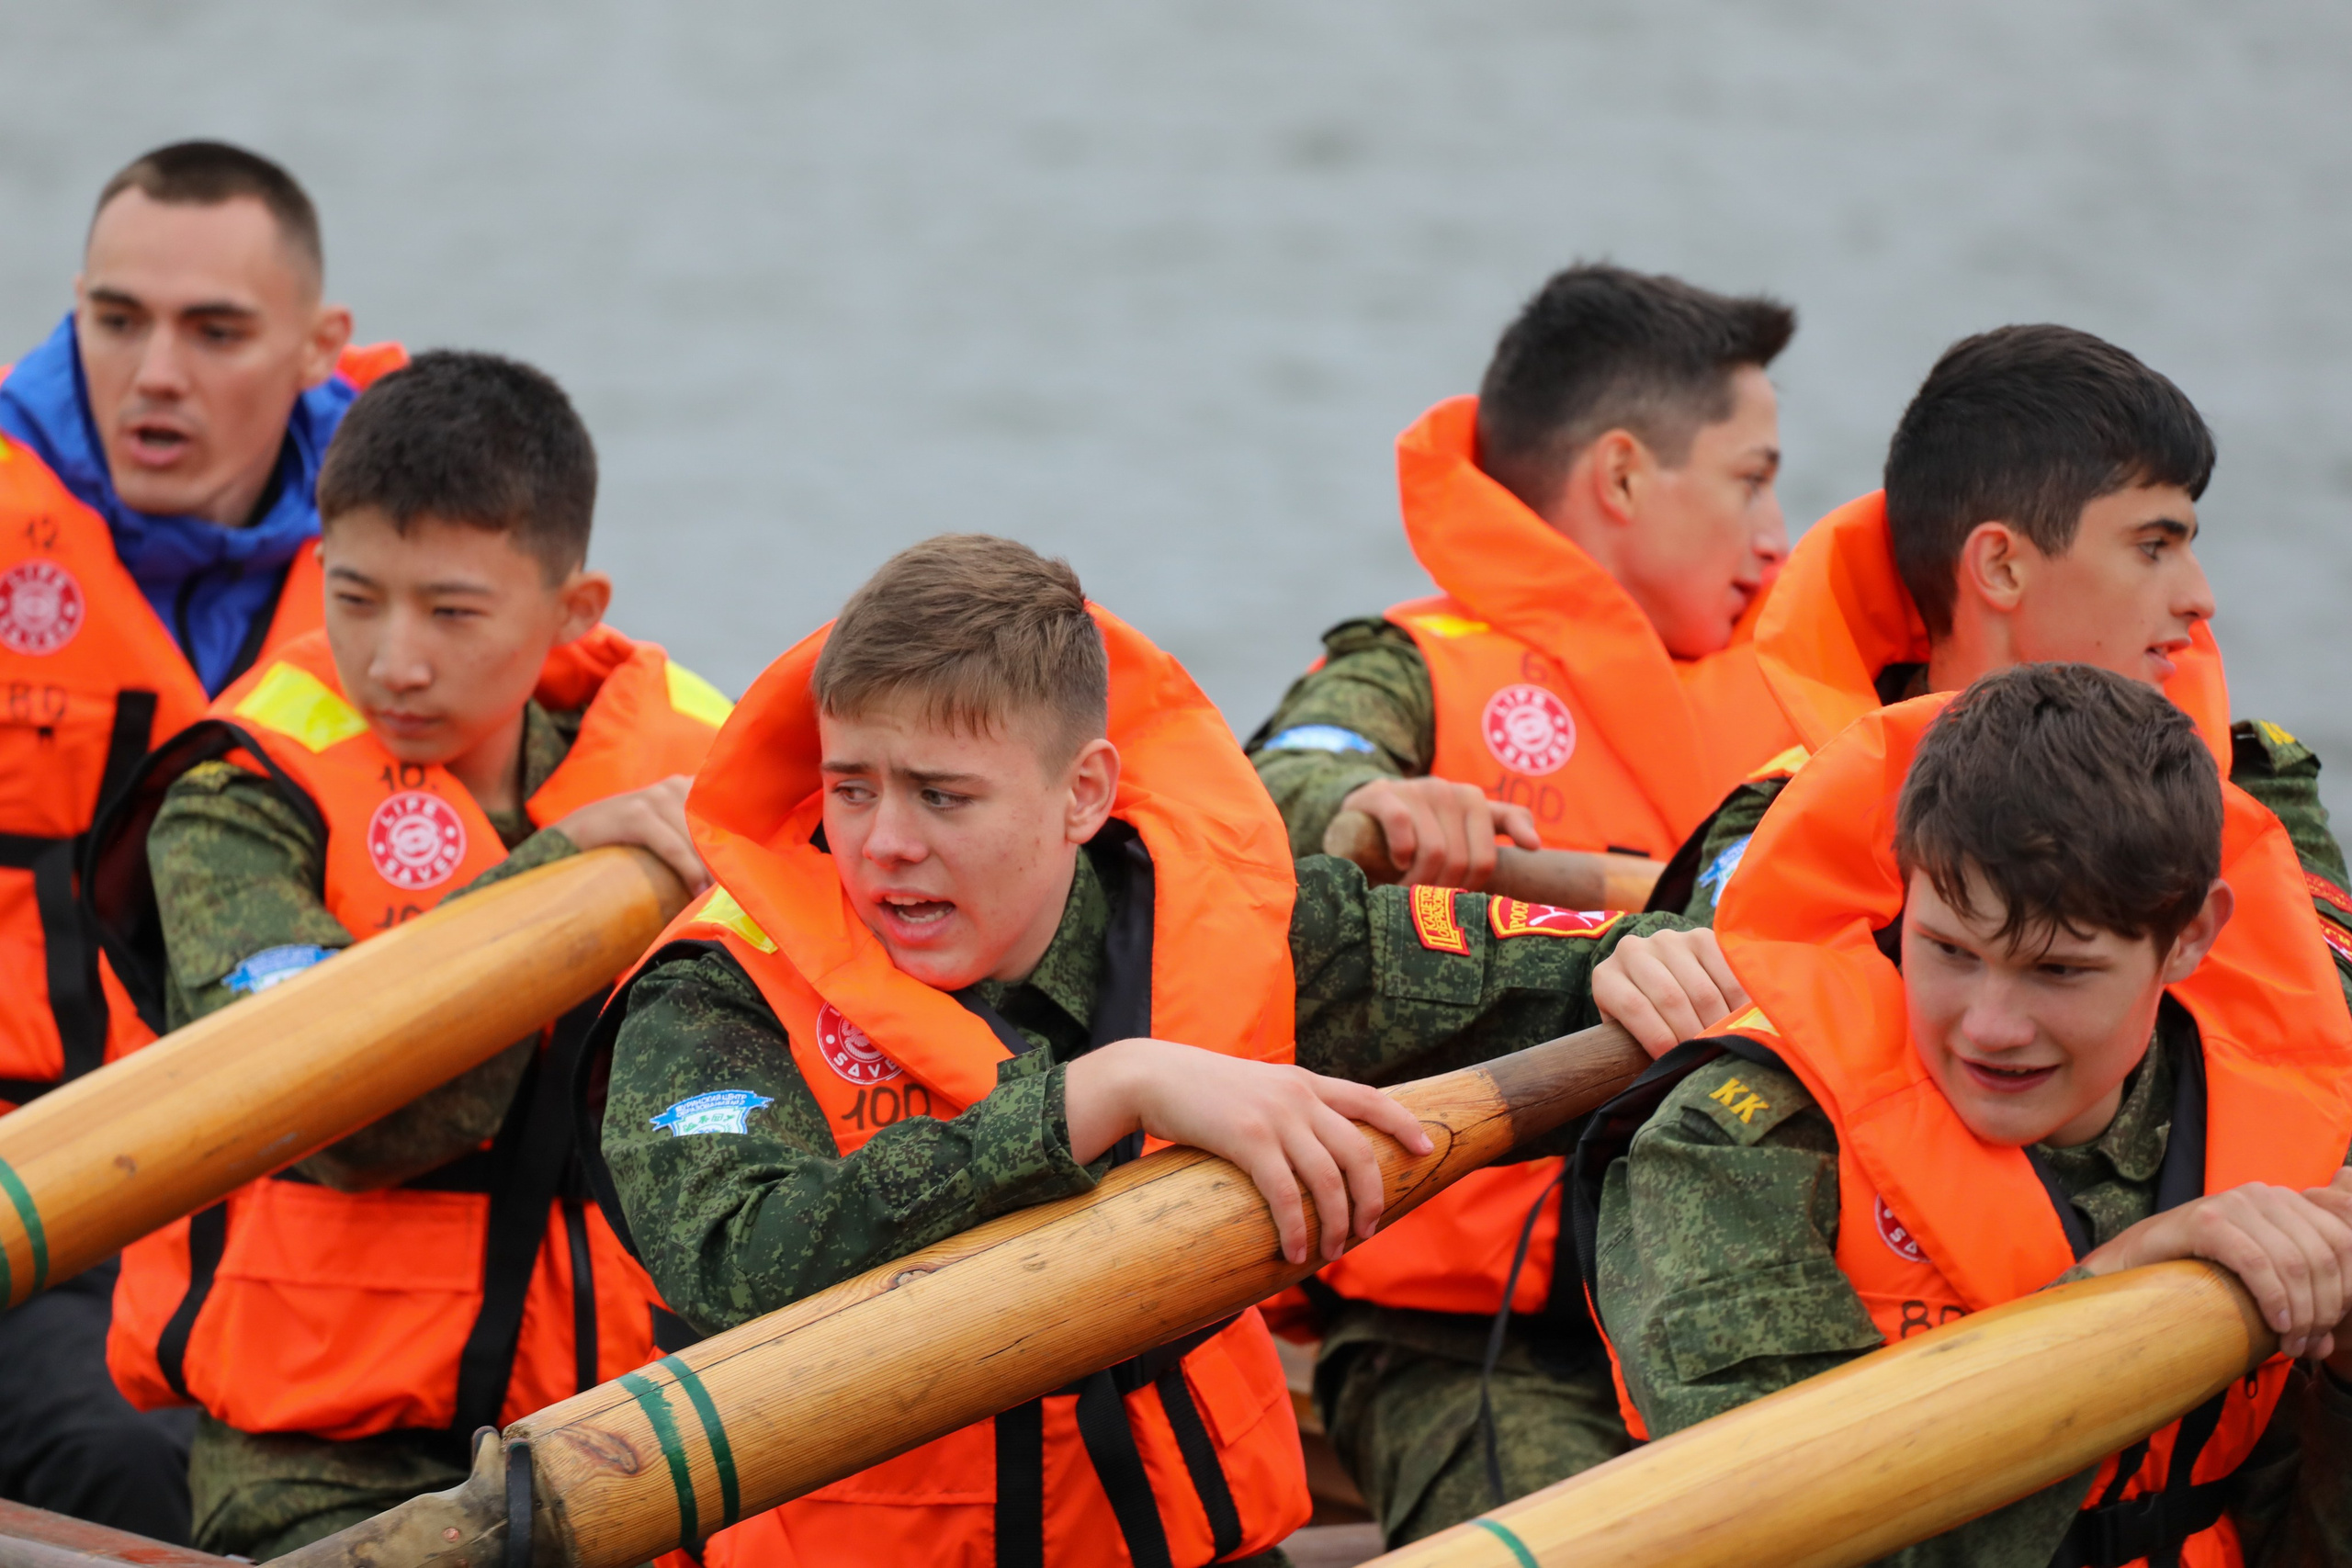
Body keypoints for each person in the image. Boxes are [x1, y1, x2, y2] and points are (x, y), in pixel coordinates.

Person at [579, 533, 1735, 1568]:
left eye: (942, 796)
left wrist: (1638, 962)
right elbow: (738, 1267)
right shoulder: (715, 992)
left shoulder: (1226, 920)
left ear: (1083, 794)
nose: (883, 843)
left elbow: (1543, 967)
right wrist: (1104, 1092)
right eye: (850, 789)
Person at [85, 351, 732, 1558]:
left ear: (575, 610)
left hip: (615, 1436)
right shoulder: (237, 799)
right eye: (355, 597)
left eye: (451, 611)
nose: (393, 660)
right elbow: (331, 1115)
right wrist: (559, 876)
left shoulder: (698, 785)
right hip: (314, 1463)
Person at [1241, 264, 1800, 1543]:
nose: (1777, 535)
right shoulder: (1409, 667)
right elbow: (1285, 781)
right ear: (1622, 477)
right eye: (1751, 479)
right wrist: (1367, 810)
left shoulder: (1808, 688)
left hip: (1751, 1287)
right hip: (1474, 1339)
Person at [1580, 663, 2352, 1566]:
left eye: (2057, 970)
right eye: (1948, 950)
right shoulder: (1731, 1152)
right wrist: (2105, 1301)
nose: (1989, 1027)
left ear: (2190, 935)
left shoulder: (2284, 1124)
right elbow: (1781, 1535)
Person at [0, 140, 402, 1542]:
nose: (154, 373)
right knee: (130, 1458)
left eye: (215, 332)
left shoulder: (431, 553)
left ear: (318, 347)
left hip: (310, 1184)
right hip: (34, 1188)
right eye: (116, 320)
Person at [1652, 326, 2351, 992]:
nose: (2201, 599)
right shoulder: (1787, 818)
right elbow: (1718, 1001)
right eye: (2152, 547)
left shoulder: (2260, 795)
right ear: (2001, 567)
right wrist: (1626, 953)